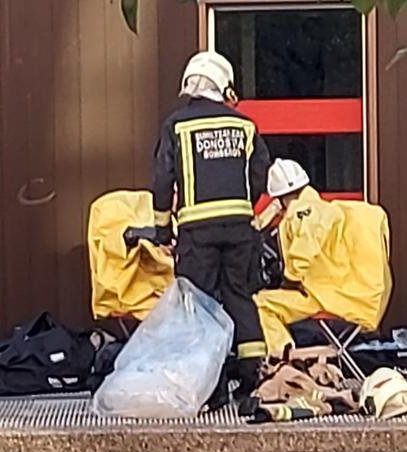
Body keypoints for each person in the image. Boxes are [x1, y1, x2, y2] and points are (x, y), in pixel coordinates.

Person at [151, 51, 271, 409]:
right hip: (239, 230)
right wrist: (243, 205)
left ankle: (213, 389)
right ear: (223, 85)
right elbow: (260, 172)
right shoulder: (244, 125)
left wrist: (162, 230)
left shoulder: (176, 126)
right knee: (240, 297)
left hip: (197, 234)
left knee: (200, 307)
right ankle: (253, 379)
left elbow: (162, 180)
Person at [254, 159, 393, 354]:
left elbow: (303, 250)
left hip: (327, 296)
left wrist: (289, 279)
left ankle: (283, 358)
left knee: (262, 304)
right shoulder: (323, 208)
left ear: (279, 196)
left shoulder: (303, 212)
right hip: (352, 295)